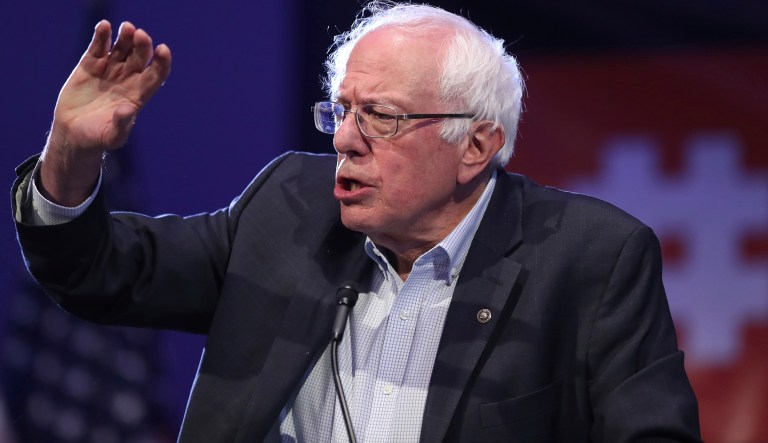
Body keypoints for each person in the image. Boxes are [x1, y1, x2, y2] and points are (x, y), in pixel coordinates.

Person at [12, 2, 701, 442]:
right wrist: (71, 152)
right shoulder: (290, 207)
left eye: (382, 117)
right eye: (342, 111)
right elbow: (99, 271)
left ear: (475, 146)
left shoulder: (589, 258)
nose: (344, 139)